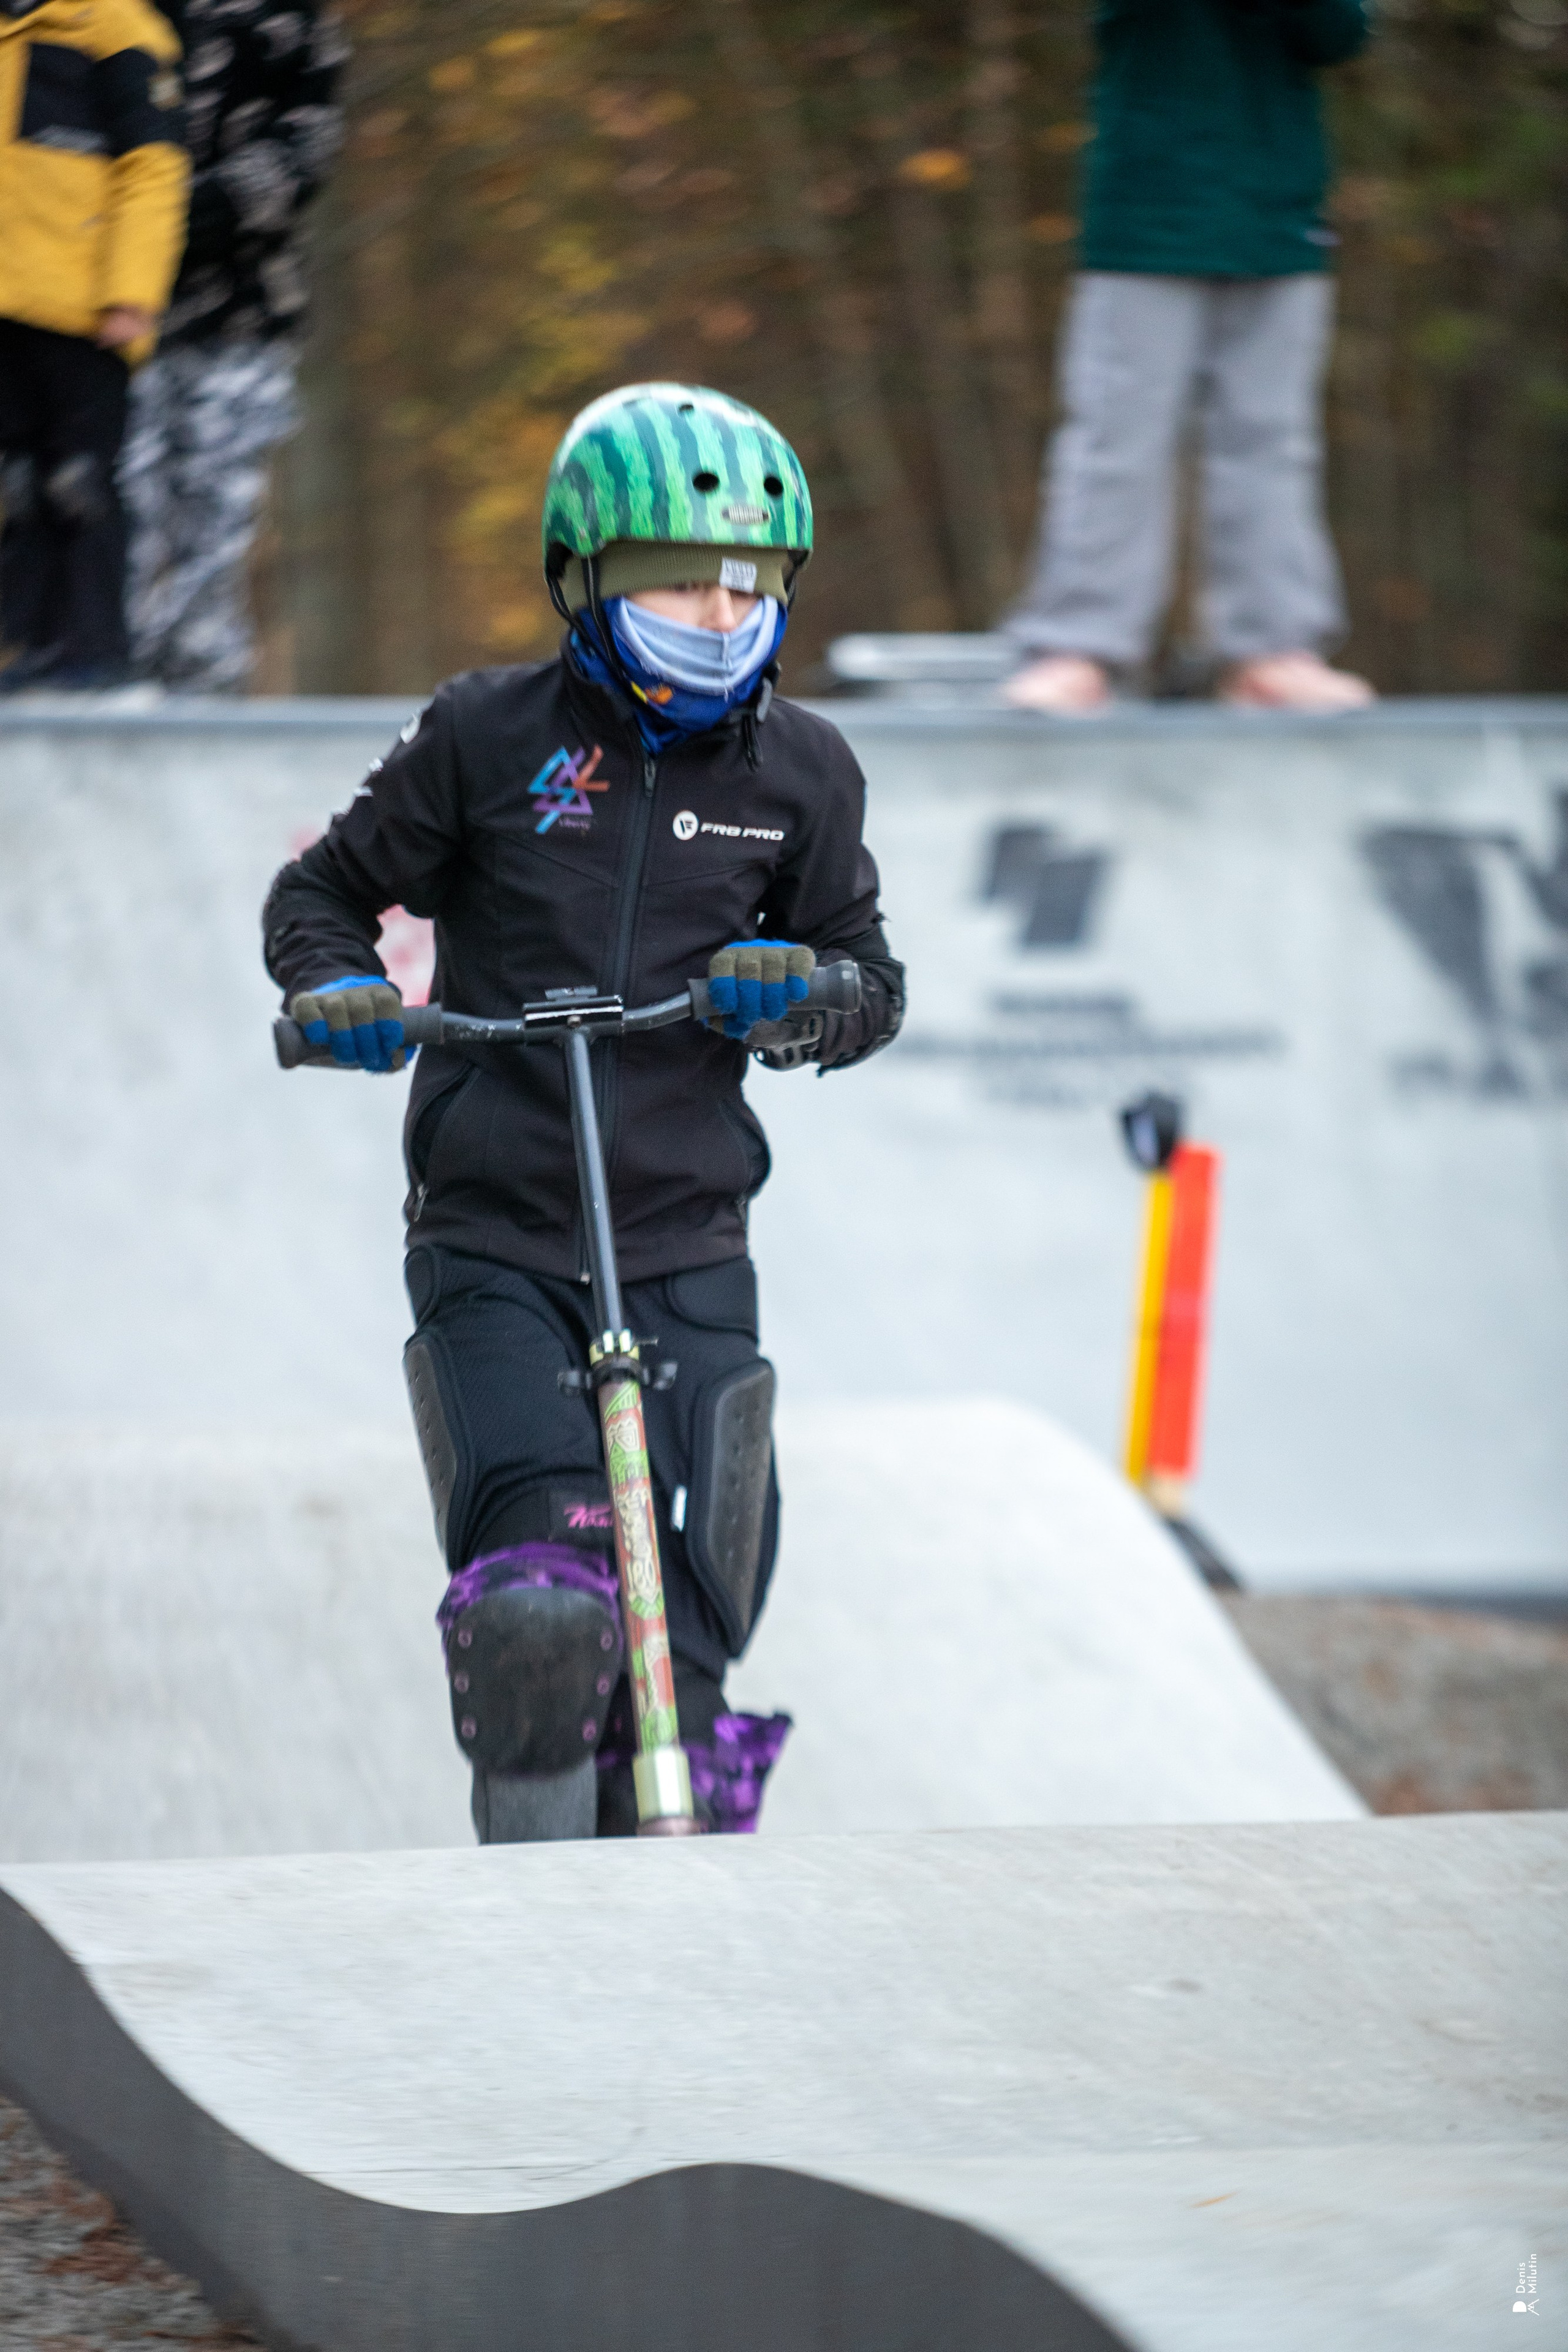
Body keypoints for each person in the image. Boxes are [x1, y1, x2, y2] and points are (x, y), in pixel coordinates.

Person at [262, 384, 905, 1842]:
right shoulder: (485, 736)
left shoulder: (803, 773)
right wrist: (342, 989)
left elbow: (871, 977)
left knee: (693, 1627)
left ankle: (668, 1913)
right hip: (497, 1236)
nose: (719, 608)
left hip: (686, 1237)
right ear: (585, 575)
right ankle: (531, 1940)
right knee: (547, 1620)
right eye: (678, 575)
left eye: (750, 581)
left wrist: (797, 993)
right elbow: (321, 892)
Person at [1005, 0, 1374, 717]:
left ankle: (1271, 651)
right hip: (1145, 216)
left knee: (1271, 441)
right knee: (1118, 439)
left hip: (1278, 214)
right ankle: (1077, 647)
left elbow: (1337, 33)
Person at [121, 0, 347, 692]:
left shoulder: (291, 17)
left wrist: (165, 214)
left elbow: (306, 147)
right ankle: (106, 695)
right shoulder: (94, 13)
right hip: (109, 321)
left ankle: (199, 704)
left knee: (210, 540)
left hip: (240, 326)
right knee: (113, 524)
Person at [0, 0, 187, 692]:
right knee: (17, 488)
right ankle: (25, 648)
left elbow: (155, 166)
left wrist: (132, 293)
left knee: (79, 482)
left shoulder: (117, 28)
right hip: (6, 307)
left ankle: (94, 652)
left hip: (85, 309)